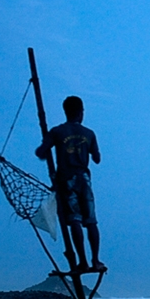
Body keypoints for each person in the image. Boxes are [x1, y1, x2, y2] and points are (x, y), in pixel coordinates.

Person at [36, 95, 106, 273]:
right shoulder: (89, 133)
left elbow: (41, 152)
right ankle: (95, 260)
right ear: (80, 112)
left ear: (66, 112)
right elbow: (97, 159)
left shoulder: (57, 132)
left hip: (67, 180)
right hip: (84, 179)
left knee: (74, 219)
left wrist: (48, 150)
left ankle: (82, 261)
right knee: (90, 221)